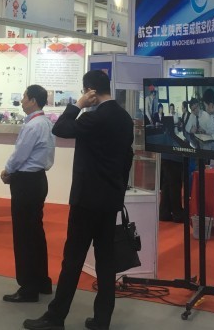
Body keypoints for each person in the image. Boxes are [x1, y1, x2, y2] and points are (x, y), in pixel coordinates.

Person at [24, 70, 134, 330]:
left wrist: (78, 105)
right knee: (106, 262)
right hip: (110, 200)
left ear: (90, 91)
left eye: (85, 92)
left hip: (86, 200)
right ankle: (102, 319)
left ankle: (55, 317)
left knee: (72, 259)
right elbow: (127, 158)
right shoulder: (124, 118)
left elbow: (60, 128)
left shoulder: (93, 117)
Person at [0, 84, 56, 303]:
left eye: (24, 97)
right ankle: (41, 281)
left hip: (26, 182)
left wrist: (7, 171)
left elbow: (20, 154)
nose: (21, 101)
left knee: (24, 236)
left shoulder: (33, 125)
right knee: (35, 233)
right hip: (38, 179)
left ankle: (28, 288)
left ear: (33, 100)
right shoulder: (45, 123)